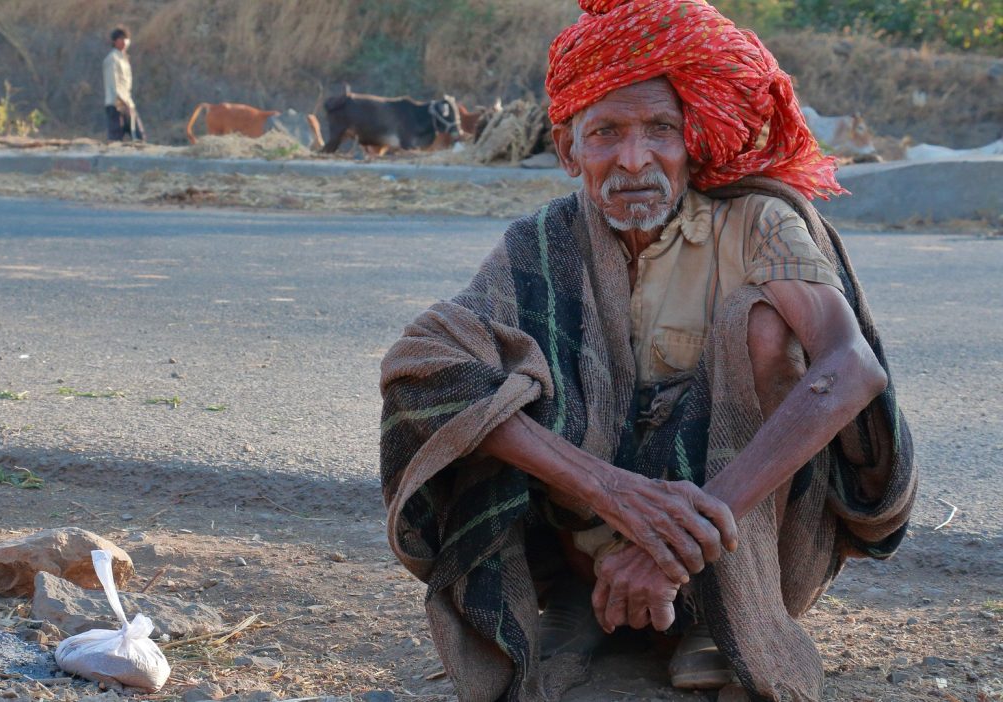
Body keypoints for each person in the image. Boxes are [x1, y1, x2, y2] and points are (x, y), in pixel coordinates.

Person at [378, 1, 916, 700]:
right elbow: (422, 363)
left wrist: (673, 550)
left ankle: (723, 612)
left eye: (659, 129)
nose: (635, 160)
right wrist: (614, 494)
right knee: (495, 371)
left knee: (763, 328)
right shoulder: (541, 245)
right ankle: (577, 597)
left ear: (693, 137)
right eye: (606, 133)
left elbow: (851, 367)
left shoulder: (759, 221)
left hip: (742, 543)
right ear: (570, 150)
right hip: (583, 538)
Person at [103, 26, 144, 142]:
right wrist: (123, 102)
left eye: (126, 39)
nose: (125, 41)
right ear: (114, 41)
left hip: (128, 103)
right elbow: (114, 84)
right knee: (116, 141)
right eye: (121, 39)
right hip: (116, 105)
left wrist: (128, 103)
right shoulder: (112, 59)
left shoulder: (124, 59)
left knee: (140, 137)